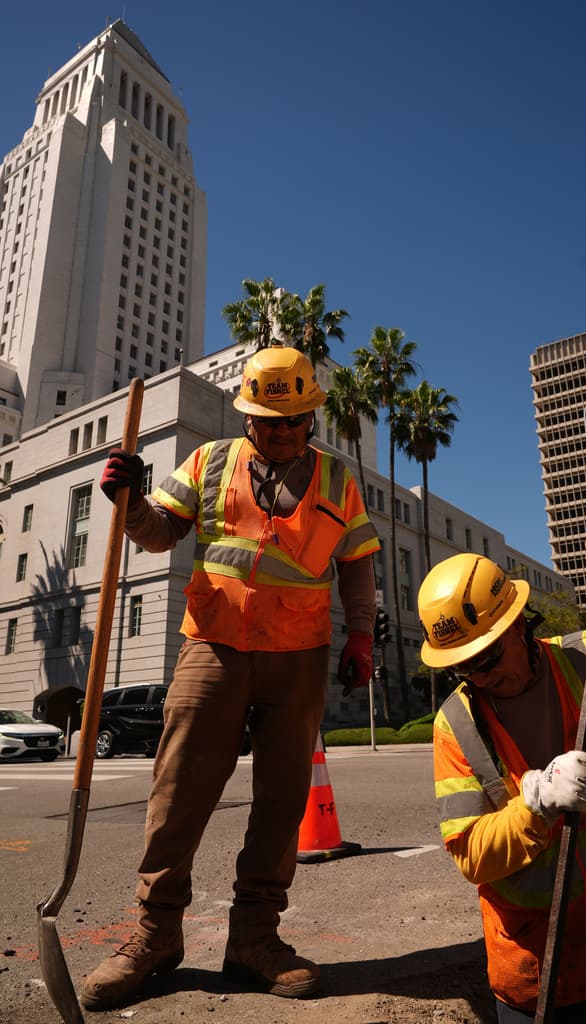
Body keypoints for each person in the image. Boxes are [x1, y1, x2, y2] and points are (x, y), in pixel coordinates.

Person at [81, 346, 380, 1011]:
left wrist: (360, 635)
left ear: (309, 417)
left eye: (290, 419)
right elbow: (159, 534)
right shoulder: (209, 462)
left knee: (281, 800)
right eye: (265, 419)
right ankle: (155, 935)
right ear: (246, 414)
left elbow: (357, 564)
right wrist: (129, 503)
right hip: (213, 646)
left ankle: (254, 939)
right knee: (179, 789)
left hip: (298, 655)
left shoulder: (338, 480)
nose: (277, 431)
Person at [418, 540, 586, 1022]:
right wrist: (533, 806)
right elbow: (470, 852)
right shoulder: (455, 723)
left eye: (488, 658)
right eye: (462, 666)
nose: (479, 676)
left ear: (518, 624)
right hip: (542, 975)